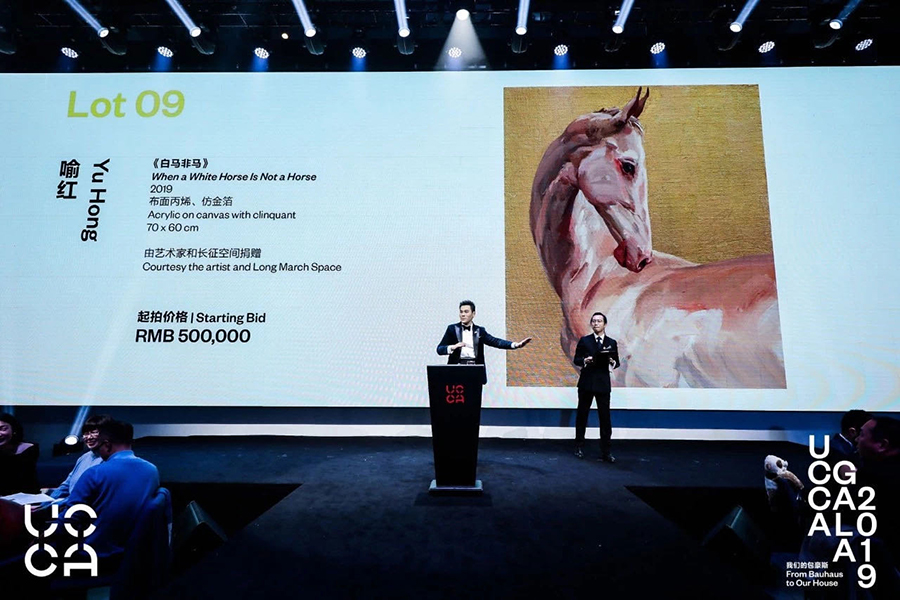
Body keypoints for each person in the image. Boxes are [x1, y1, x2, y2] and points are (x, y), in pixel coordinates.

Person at [60, 419, 160, 557]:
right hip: (132, 551)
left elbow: (71, 518)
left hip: (93, 552)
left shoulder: (94, 473)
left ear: (107, 445)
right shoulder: (152, 471)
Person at [436, 300, 531, 383]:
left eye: (466, 312)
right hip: (456, 369)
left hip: (475, 370)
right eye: (461, 312)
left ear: (473, 314)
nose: (463, 314)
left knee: (474, 396)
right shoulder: (452, 329)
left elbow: (495, 341)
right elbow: (439, 349)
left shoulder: (480, 331)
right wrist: (452, 347)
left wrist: (515, 345)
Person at [572, 312, 619, 462]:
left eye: (599, 321)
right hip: (587, 383)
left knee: (605, 418)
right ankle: (579, 446)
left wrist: (612, 362)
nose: (596, 323)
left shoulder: (611, 342)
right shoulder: (584, 341)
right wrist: (585, 360)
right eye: (593, 321)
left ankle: (606, 451)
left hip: (603, 384)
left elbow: (616, 362)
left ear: (605, 324)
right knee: (582, 416)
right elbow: (576, 359)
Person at [46, 414, 113, 504]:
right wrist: (46, 501)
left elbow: (91, 495)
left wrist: (56, 504)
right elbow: (66, 485)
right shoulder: (84, 457)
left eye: (93, 432)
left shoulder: (110, 460)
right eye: (86, 433)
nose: (89, 437)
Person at [0, 412, 39, 495]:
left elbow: (28, 483)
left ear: (13, 429)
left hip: (27, 497)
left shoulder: (29, 449)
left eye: (3, 429)